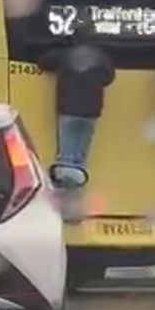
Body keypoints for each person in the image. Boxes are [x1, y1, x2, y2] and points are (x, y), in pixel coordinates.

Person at [38, 18, 115, 188]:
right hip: (90, 113)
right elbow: (109, 78)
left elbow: (44, 61)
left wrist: (62, 44)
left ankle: (65, 200)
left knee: (65, 158)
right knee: (80, 160)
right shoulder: (101, 58)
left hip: (68, 111)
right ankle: (77, 198)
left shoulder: (67, 54)